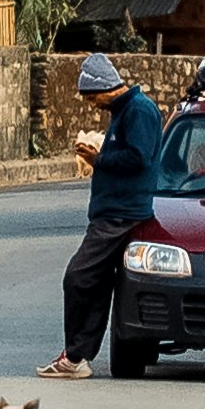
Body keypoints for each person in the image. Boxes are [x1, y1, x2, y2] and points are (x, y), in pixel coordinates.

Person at [44, 53, 171, 379]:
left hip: (121, 214)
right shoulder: (124, 111)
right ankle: (75, 357)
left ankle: (75, 356)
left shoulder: (138, 110)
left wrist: (98, 159)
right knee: (95, 283)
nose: (90, 104)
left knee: (78, 277)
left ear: (103, 88)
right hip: (113, 211)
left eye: (91, 97)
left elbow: (138, 159)